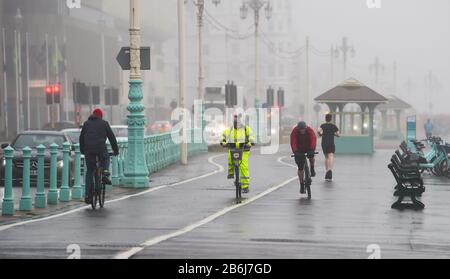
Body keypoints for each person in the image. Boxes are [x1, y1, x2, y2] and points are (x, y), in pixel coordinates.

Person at [79, 108, 119, 204]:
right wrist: (116, 150)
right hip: (101, 149)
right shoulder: (104, 123)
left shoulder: (86, 124)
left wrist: (83, 150)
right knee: (106, 158)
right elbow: (112, 137)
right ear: (101, 116)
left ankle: (88, 195)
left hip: (89, 150)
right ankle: (105, 172)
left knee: (90, 171)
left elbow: (81, 138)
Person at [220, 114, 255, 193]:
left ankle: (245, 186)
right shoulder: (230, 129)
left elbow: (252, 137)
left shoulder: (246, 129)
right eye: (235, 123)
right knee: (230, 158)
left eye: (237, 123)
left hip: (244, 150)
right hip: (232, 149)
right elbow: (223, 136)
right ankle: (231, 173)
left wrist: (250, 143)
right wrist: (223, 142)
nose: (236, 125)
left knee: (243, 166)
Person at [290, 121, 317, 194]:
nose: (302, 131)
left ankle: (312, 167)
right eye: (300, 129)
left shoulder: (310, 130)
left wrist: (312, 149)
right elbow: (293, 141)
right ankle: (302, 184)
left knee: (311, 156)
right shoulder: (294, 131)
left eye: (303, 129)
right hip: (299, 150)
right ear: (298, 128)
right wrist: (295, 151)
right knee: (300, 167)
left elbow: (313, 139)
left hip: (308, 147)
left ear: (306, 128)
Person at [318, 113, 340, 181]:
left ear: (325, 119)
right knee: (331, 156)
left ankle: (327, 171)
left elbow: (318, 131)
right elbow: (338, 134)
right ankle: (330, 170)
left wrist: (321, 134)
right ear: (331, 119)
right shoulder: (334, 126)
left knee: (326, 157)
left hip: (324, 143)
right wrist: (334, 134)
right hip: (331, 143)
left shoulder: (322, 125)